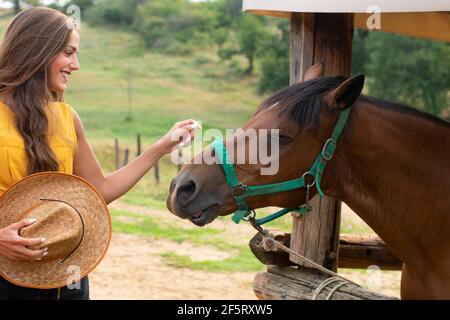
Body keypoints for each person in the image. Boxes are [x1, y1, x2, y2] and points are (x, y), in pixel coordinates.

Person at [0, 7, 196, 300]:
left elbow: (98, 191)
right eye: (68, 52)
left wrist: (161, 147)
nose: (75, 65)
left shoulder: (68, 118)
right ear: (38, 50)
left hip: (65, 273)